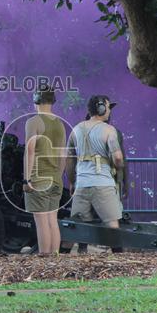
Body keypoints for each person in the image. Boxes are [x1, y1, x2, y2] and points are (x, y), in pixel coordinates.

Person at [67, 95, 125, 232]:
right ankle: (114, 248)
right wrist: (118, 168)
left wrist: (72, 182)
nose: (109, 111)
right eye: (108, 107)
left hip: (81, 184)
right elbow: (118, 158)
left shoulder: (76, 129)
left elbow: (69, 160)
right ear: (101, 109)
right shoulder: (109, 130)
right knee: (112, 226)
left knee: (75, 228)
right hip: (103, 184)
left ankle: (68, 247)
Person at [22, 85, 67, 257]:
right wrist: (58, 176)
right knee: (52, 220)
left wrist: (26, 179)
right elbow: (63, 154)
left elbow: (30, 150)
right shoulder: (60, 124)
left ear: (36, 100)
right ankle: (54, 258)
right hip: (56, 179)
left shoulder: (33, 122)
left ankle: (44, 258)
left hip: (38, 179)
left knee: (41, 221)